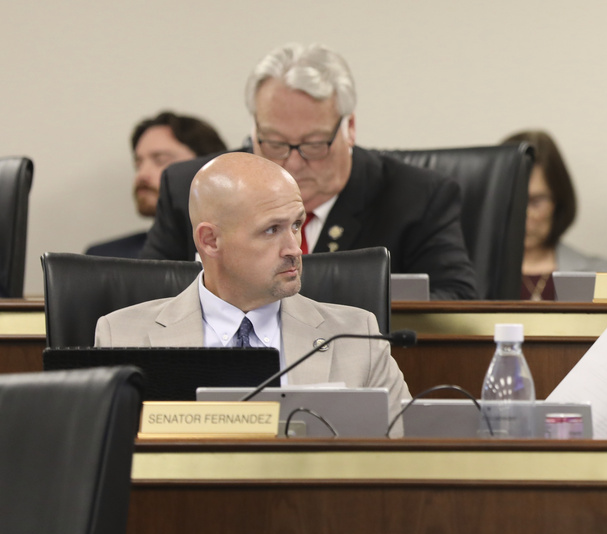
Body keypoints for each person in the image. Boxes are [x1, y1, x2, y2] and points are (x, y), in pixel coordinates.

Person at [95, 153, 412, 432]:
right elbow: (101, 465)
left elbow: (405, 460)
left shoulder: (357, 338)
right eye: (272, 229)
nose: (294, 248)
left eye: (296, 225)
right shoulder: (122, 337)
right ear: (210, 241)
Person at [139, 43, 478, 300]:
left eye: (314, 144)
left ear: (351, 128)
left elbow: (454, 303)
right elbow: (144, 297)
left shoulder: (417, 197)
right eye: (274, 142)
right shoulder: (194, 188)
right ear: (254, 130)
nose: (293, 162)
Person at [85, 112, 227, 258]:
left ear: (208, 166)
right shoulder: (105, 260)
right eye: (138, 164)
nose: (141, 175)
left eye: (160, 160)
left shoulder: (241, 253)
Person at [501, 130, 607, 300]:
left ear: (558, 201)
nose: (524, 214)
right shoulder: (465, 276)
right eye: (514, 200)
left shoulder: (602, 275)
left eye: (536, 202)